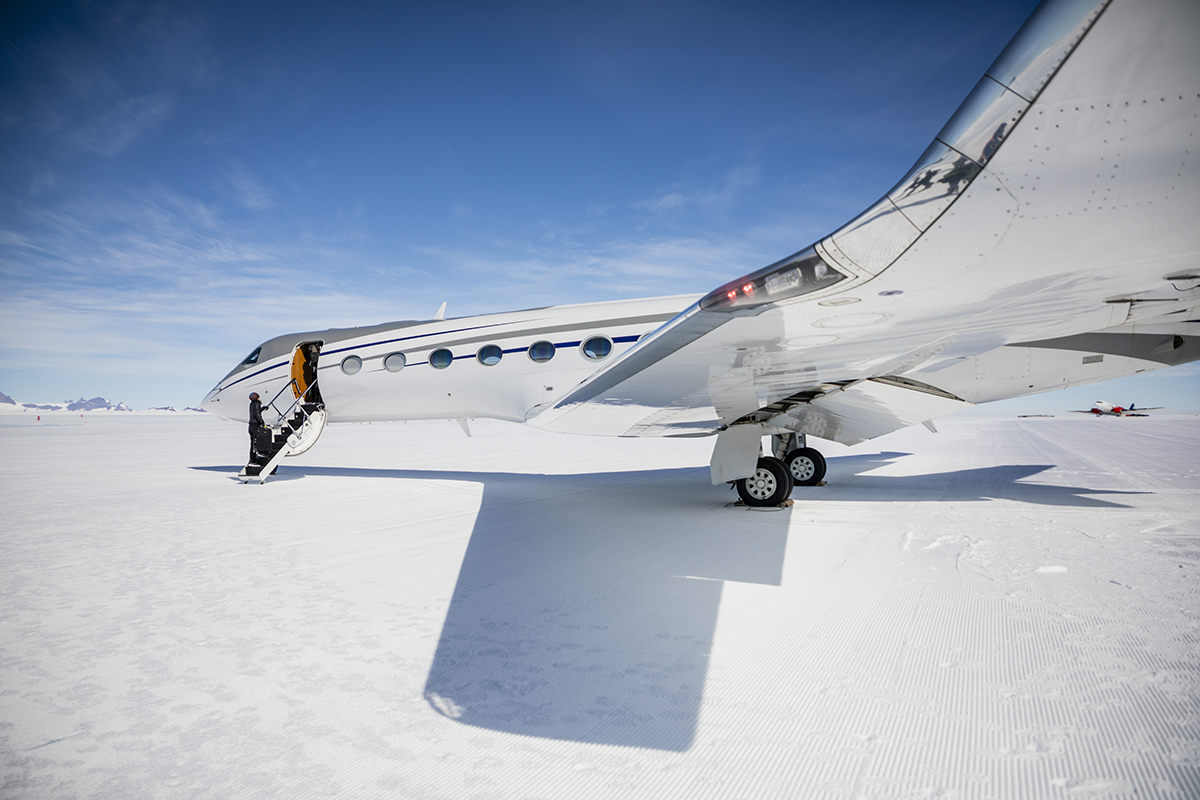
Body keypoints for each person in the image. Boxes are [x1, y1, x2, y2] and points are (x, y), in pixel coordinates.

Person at [248, 391, 264, 465]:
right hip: (255, 425)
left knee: (252, 443)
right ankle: (254, 459)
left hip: (251, 425)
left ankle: (252, 459)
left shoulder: (251, 404)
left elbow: (255, 412)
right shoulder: (257, 403)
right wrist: (261, 422)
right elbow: (257, 414)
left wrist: (262, 409)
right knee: (256, 443)